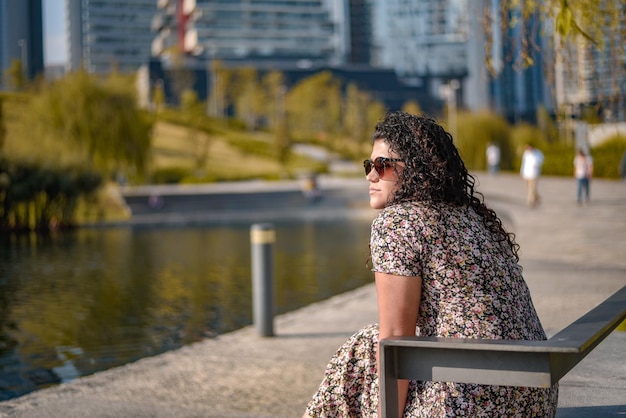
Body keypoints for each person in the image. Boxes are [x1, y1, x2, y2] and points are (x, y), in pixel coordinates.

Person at [302, 112, 558, 417]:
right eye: (369, 165)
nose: (371, 176)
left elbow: (397, 337)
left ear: (416, 170)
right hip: (534, 397)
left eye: (382, 166)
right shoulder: (470, 215)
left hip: (472, 397)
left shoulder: (397, 223)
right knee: (364, 345)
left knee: (370, 349)